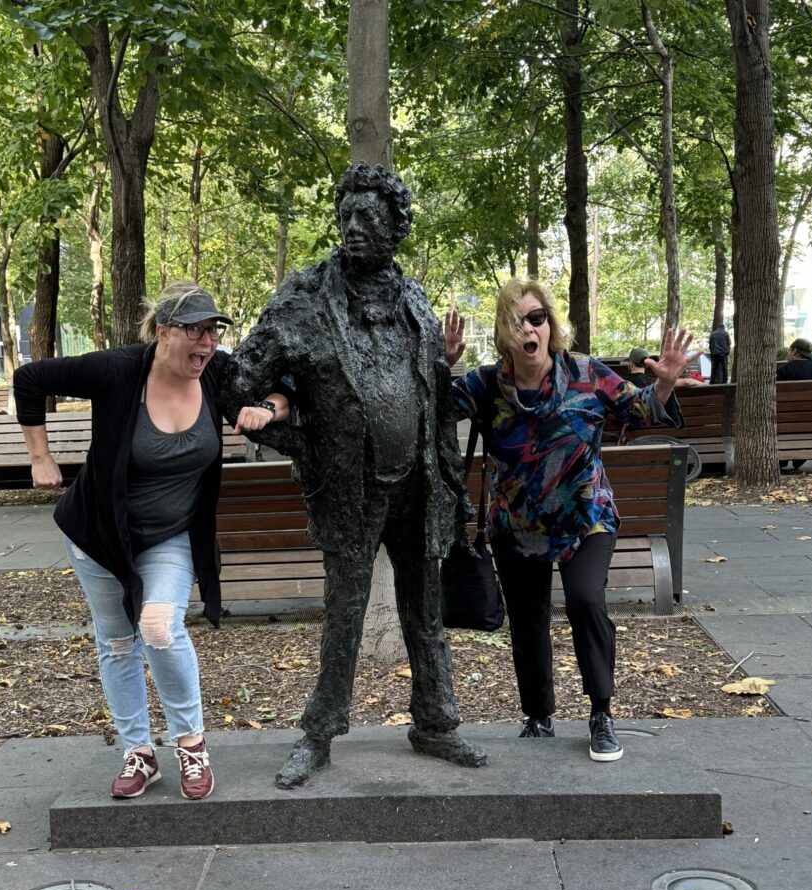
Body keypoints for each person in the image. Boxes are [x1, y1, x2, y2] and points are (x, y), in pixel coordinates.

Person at [220, 162, 487, 789]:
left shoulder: (415, 298)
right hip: (349, 485)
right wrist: (297, 437)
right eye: (346, 213)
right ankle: (319, 733)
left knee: (424, 606)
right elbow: (238, 383)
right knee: (345, 611)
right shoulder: (306, 296)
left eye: (369, 215)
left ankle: (436, 722)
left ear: (396, 225)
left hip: (417, 483)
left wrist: (448, 475)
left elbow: (431, 393)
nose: (353, 225)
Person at [13, 282, 290, 800]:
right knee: (118, 644)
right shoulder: (118, 370)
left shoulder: (218, 373)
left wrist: (268, 410)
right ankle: (139, 753)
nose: (205, 342)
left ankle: (191, 745)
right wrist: (40, 456)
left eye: (212, 330)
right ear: (162, 332)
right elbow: (30, 378)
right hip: (98, 536)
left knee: (159, 625)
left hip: (170, 535)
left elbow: (286, 386)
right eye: (194, 330)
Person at [444, 278, 695, 763]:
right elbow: (433, 409)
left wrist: (662, 381)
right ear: (504, 332)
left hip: (586, 515)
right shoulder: (484, 386)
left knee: (585, 600)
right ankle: (537, 717)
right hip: (517, 525)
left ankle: (601, 712)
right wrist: (445, 364)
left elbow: (640, 408)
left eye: (537, 317)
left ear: (550, 324)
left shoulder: (586, 374)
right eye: (517, 321)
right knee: (528, 619)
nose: (529, 328)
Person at [777, 338, 812, 471]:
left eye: (789, 350)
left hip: (790, 422)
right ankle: (799, 456)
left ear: (795, 351)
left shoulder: (785, 371)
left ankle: (783, 458)